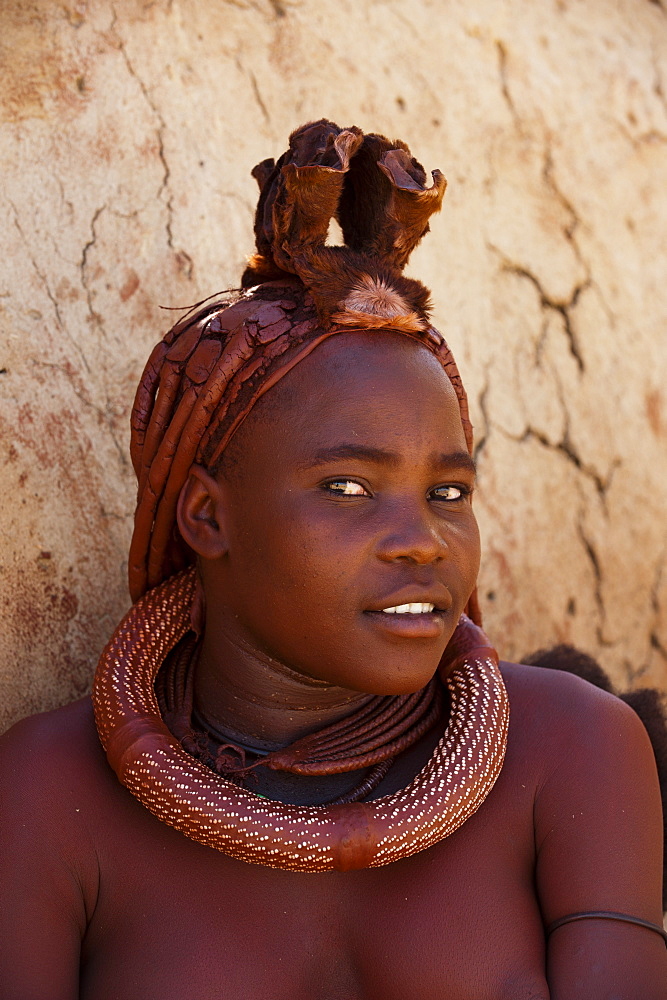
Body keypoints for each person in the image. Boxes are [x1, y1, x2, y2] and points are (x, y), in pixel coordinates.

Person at [1, 119, 666, 999]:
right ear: (209, 515)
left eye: (449, 492)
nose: (422, 538)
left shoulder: (568, 752)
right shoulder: (49, 797)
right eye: (348, 489)